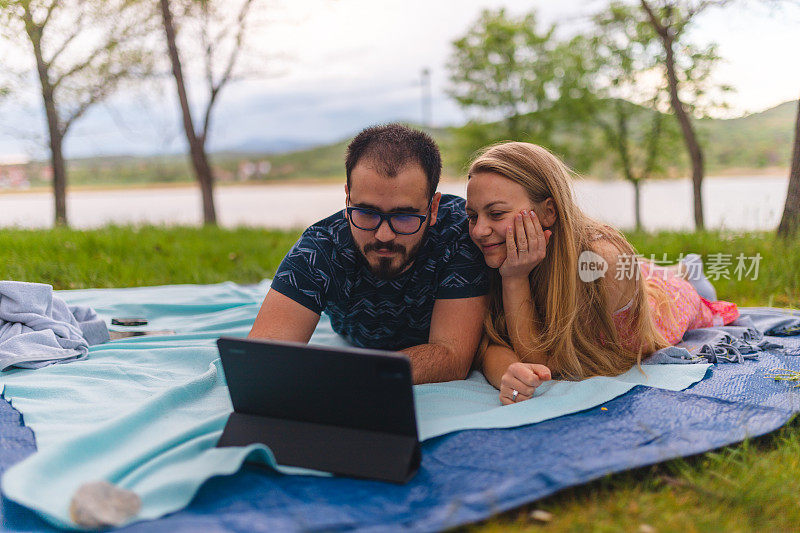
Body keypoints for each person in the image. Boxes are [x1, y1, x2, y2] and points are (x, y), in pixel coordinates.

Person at [464, 142, 738, 404]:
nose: (478, 230)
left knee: (695, 294)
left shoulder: (601, 261)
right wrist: (509, 372)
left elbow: (543, 359)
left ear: (548, 212)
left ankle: (688, 271)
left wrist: (514, 278)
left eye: (497, 214)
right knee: (644, 270)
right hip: (628, 278)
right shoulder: (489, 253)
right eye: (473, 216)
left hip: (663, 301)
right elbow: (491, 343)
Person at [249, 124, 490, 384]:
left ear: (433, 208)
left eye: (404, 216)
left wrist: (352, 377)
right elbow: (262, 357)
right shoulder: (319, 249)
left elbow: (452, 357)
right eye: (366, 213)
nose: (383, 235)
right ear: (347, 200)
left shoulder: (459, 235)